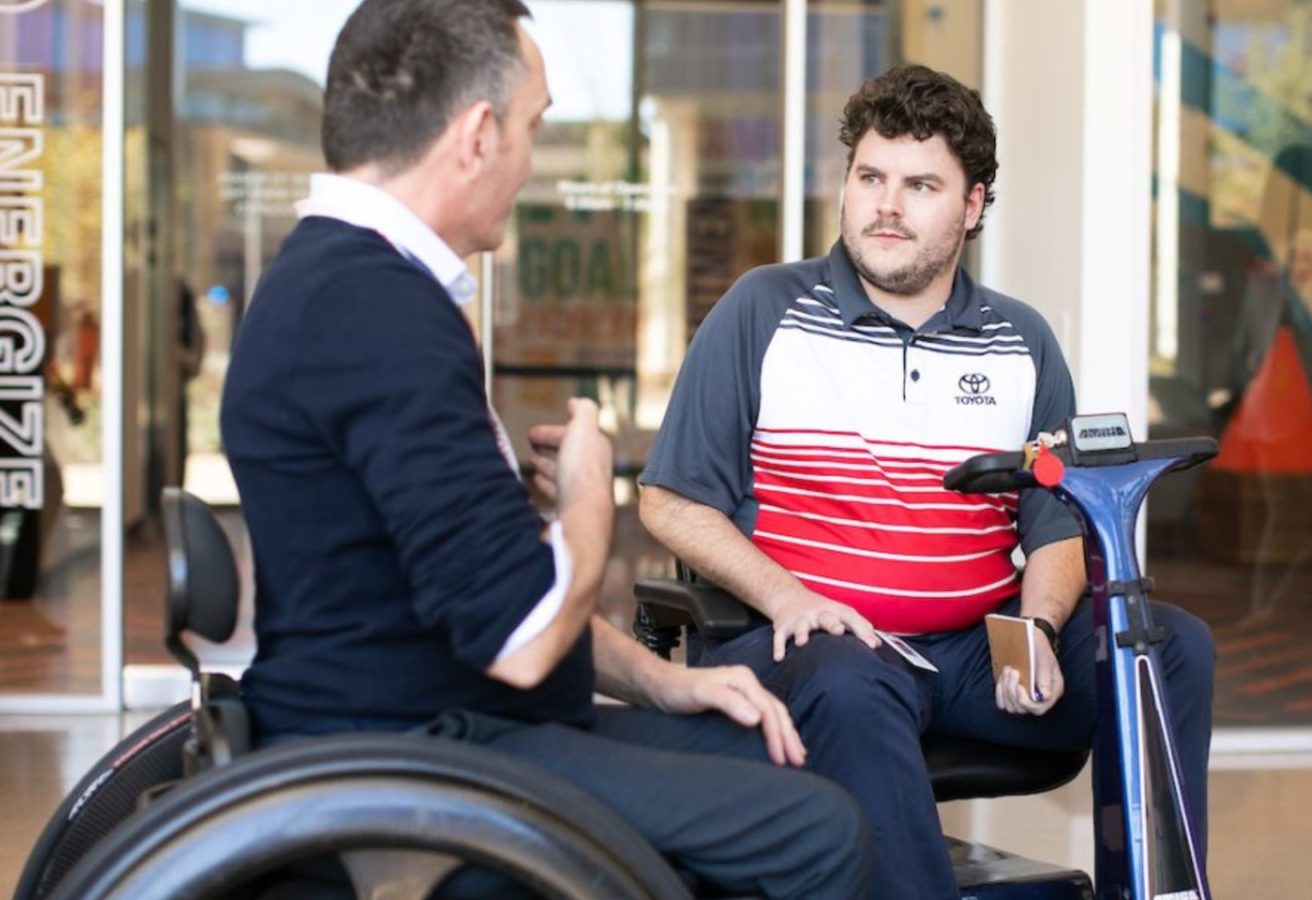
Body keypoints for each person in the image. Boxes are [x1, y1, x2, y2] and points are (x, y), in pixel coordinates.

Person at [219, 3, 869, 897]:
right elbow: (523, 640)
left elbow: (499, 590)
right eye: (533, 126)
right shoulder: (376, 312)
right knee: (815, 830)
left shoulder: (353, 286)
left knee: (781, 748)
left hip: (445, 719)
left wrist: (660, 683)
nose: (531, 160)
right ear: (479, 134)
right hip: (414, 746)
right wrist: (588, 499)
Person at [638, 65, 1216, 900]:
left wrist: (1041, 627)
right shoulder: (763, 312)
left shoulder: (1022, 341)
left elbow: (1053, 525)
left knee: (1167, 646)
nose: (886, 206)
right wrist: (788, 598)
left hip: (972, 652)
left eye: (920, 185)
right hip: (816, 648)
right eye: (870, 178)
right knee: (849, 676)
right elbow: (670, 498)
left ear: (973, 206)